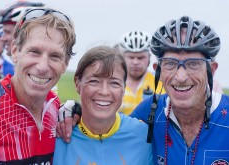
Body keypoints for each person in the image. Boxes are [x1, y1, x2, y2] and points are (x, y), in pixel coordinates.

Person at [0, 7, 76, 164]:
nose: (43, 67)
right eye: (34, 52)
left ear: (65, 64)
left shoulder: (57, 109)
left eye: (55, 56)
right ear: (15, 51)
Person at [130, 16, 229, 164]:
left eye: (194, 64)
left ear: (211, 70)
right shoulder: (148, 111)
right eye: (170, 63)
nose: (181, 77)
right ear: (159, 71)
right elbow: (103, 133)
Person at [53, 46, 153, 165]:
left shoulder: (144, 137)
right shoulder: (55, 134)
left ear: (124, 88)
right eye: (94, 81)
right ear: (77, 84)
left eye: (114, 83)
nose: (104, 92)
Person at [118, 30, 165, 115]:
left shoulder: (161, 83)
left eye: (141, 58)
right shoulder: (113, 83)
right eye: (131, 57)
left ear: (149, 58)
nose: (135, 62)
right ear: (122, 58)